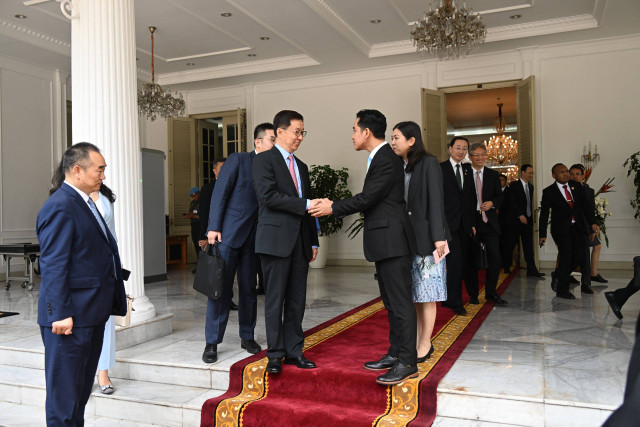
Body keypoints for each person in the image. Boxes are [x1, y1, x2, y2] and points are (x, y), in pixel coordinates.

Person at [311, 109, 418, 386]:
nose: (352, 135)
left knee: (400, 302)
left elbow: (367, 198)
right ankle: (395, 353)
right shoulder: (381, 158)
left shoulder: (386, 159)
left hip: (393, 241)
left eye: (354, 130)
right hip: (385, 242)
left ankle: (407, 362)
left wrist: (332, 207)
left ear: (366, 132)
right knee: (391, 302)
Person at [37, 142, 127, 425]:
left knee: (78, 395)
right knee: (65, 398)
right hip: (70, 317)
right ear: (77, 170)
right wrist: (60, 313)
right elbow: (53, 264)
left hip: (90, 314)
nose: (103, 176)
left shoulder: (85, 202)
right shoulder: (61, 206)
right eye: (99, 170)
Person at [252, 110, 319, 375]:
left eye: (303, 132)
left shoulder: (301, 166)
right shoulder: (263, 161)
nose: (300, 137)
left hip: (301, 243)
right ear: (280, 132)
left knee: (296, 300)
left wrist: (313, 240)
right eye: (296, 132)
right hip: (275, 240)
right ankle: (275, 354)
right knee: (275, 300)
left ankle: (294, 351)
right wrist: (304, 205)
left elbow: (309, 207)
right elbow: (269, 197)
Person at [202, 123, 275, 364]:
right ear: (258, 142)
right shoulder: (238, 160)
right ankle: (212, 342)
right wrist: (213, 227)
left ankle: (247, 336)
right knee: (219, 291)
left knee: (249, 290)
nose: (276, 144)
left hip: (254, 240)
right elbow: (220, 193)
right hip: (228, 237)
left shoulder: (274, 167)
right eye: (272, 139)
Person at [390, 121, 449, 363]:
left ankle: (426, 343)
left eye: (396, 138)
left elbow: (436, 201)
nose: (392, 142)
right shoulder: (397, 165)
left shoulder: (429, 163)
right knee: (413, 295)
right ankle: (415, 341)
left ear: (411, 140)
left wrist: (439, 238)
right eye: (391, 138)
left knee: (428, 295)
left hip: (428, 241)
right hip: (404, 240)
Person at [539, 163, 599, 299]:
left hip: (578, 228)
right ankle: (562, 290)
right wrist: (542, 234)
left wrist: (593, 223)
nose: (566, 174)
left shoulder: (576, 186)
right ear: (554, 175)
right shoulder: (548, 191)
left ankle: (559, 275)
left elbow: (586, 207)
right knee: (566, 257)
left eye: (566, 171)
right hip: (561, 230)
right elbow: (543, 214)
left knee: (579, 256)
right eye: (561, 172)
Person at [440, 137, 476, 315]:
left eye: (464, 149)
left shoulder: (468, 169)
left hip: (463, 225)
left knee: (459, 263)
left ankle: (450, 299)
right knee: (451, 263)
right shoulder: (440, 168)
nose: (461, 151)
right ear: (450, 149)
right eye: (458, 148)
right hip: (445, 224)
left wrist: (471, 224)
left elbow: (470, 199)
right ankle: (454, 302)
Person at [467, 142, 507, 306]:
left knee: (495, 258)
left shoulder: (492, 175)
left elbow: (500, 196)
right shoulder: (465, 174)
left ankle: (491, 293)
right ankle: (473, 294)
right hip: (472, 221)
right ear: (470, 157)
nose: (480, 157)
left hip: (489, 222)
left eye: (483, 154)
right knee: (472, 261)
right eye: (476, 155)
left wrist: (492, 203)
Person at [92, 184, 118, 394]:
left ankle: (103, 372)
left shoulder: (104, 197)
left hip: (105, 268)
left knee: (106, 322)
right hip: (79, 270)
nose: (103, 175)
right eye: (99, 169)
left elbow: (112, 234)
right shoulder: (66, 196)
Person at [568, 164, 608, 284]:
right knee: (572, 252)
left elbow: (589, 210)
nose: (574, 176)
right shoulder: (565, 189)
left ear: (583, 176)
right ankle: (562, 274)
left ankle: (591, 276)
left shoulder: (589, 191)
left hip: (585, 226)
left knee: (592, 248)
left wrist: (592, 227)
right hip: (571, 226)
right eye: (572, 174)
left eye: (577, 174)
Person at [504, 164, 545, 278]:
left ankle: (531, 269)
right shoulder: (514, 186)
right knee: (510, 244)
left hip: (527, 221)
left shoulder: (530, 187)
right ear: (522, 172)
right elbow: (512, 202)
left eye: (532, 173)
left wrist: (527, 217)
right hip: (514, 221)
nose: (531, 175)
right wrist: (519, 215)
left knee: (528, 245)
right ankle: (506, 266)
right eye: (529, 173)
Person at [185, 187, 200, 273]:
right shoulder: (192, 203)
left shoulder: (202, 202)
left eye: (194, 196)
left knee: (201, 247)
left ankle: (202, 267)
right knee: (196, 246)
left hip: (200, 226)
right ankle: (199, 266)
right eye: (191, 196)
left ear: (198, 194)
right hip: (193, 226)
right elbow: (191, 213)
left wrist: (193, 216)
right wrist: (188, 216)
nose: (193, 198)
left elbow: (203, 216)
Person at [498, 174, 511, 272]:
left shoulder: (510, 191)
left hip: (507, 222)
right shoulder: (493, 191)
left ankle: (506, 265)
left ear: (505, 181)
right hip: (495, 222)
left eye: (501, 180)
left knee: (507, 244)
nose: (499, 182)